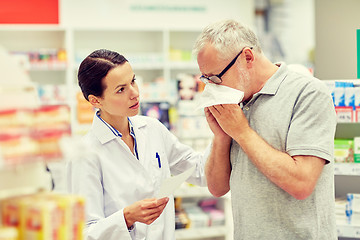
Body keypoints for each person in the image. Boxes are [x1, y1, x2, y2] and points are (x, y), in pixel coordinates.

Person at [193, 19, 337, 239]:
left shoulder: (309, 94)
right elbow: (217, 188)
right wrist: (221, 137)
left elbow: (301, 183)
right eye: (206, 79)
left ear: (247, 58)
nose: (211, 87)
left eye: (215, 78)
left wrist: (241, 132)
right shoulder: (235, 101)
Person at [66, 49, 208, 240]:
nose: (134, 94)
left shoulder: (152, 129)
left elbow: (200, 170)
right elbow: (84, 233)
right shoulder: (85, 154)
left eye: (132, 81)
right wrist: (126, 218)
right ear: (95, 100)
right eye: (121, 89)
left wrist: (226, 131)